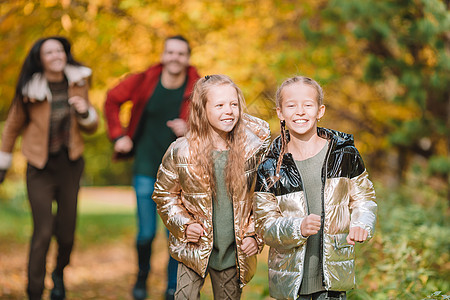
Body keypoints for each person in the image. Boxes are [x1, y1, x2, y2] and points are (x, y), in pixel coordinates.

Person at [253, 76, 377, 300]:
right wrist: (297, 227)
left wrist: (361, 223)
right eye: (291, 105)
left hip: (333, 279)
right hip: (290, 283)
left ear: (320, 111)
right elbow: (264, 226)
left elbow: (364, 199)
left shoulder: (344, 154)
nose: (300, 112)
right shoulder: (270, 166)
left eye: (307, 105)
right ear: (280, 112)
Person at [152, 75, 270, 300]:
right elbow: (164, 194)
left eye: (234, 104)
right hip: (193, 249)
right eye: (220, 105)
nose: (229, 110)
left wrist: (255, 235)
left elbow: (264, 198)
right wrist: (185, 226)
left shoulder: (252, 152)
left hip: (232, 253)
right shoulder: (181, 151)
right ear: (201, 109)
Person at [0, 36, 98, 300]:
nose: (56, 55)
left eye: (60, 50)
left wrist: (85, 111)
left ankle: (58, 274)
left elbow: (91, 127)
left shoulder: (79, 81)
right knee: (43, 231)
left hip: (70, 165)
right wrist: (3, 163)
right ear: (40, 59)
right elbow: (11, 127)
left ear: (65, 54)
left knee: (66, 233)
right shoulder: (29, 89)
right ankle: (34, 291)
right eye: (49, 52)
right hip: (39, 168)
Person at [103, 35, 200, 300]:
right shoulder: (144, 79)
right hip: (146, 166)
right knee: (146, 233)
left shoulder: (198, 86)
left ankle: (172, 287)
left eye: (180, 53)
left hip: (181, 172)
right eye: (170, 52)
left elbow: (212, 119)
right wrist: (118, 135)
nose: (175, 57)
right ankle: (142, 275)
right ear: (163, 55)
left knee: (177, 234)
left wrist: (190, 129)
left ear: (187, 58)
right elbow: (112, 99)